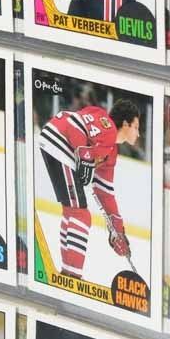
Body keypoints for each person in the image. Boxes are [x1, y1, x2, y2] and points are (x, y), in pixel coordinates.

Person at [38, 96, 139, 278]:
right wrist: (83, 154)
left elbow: (104, 191)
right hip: (59, 142)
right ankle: (74, 275)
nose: (138, 134)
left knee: (72, 211)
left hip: (55, 143)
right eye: (136, 127)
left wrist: (117, 229)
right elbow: (74, 123)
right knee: (81, 215)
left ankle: (67, 272)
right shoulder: (107, 126)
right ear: (125, 124)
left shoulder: (111, 151)